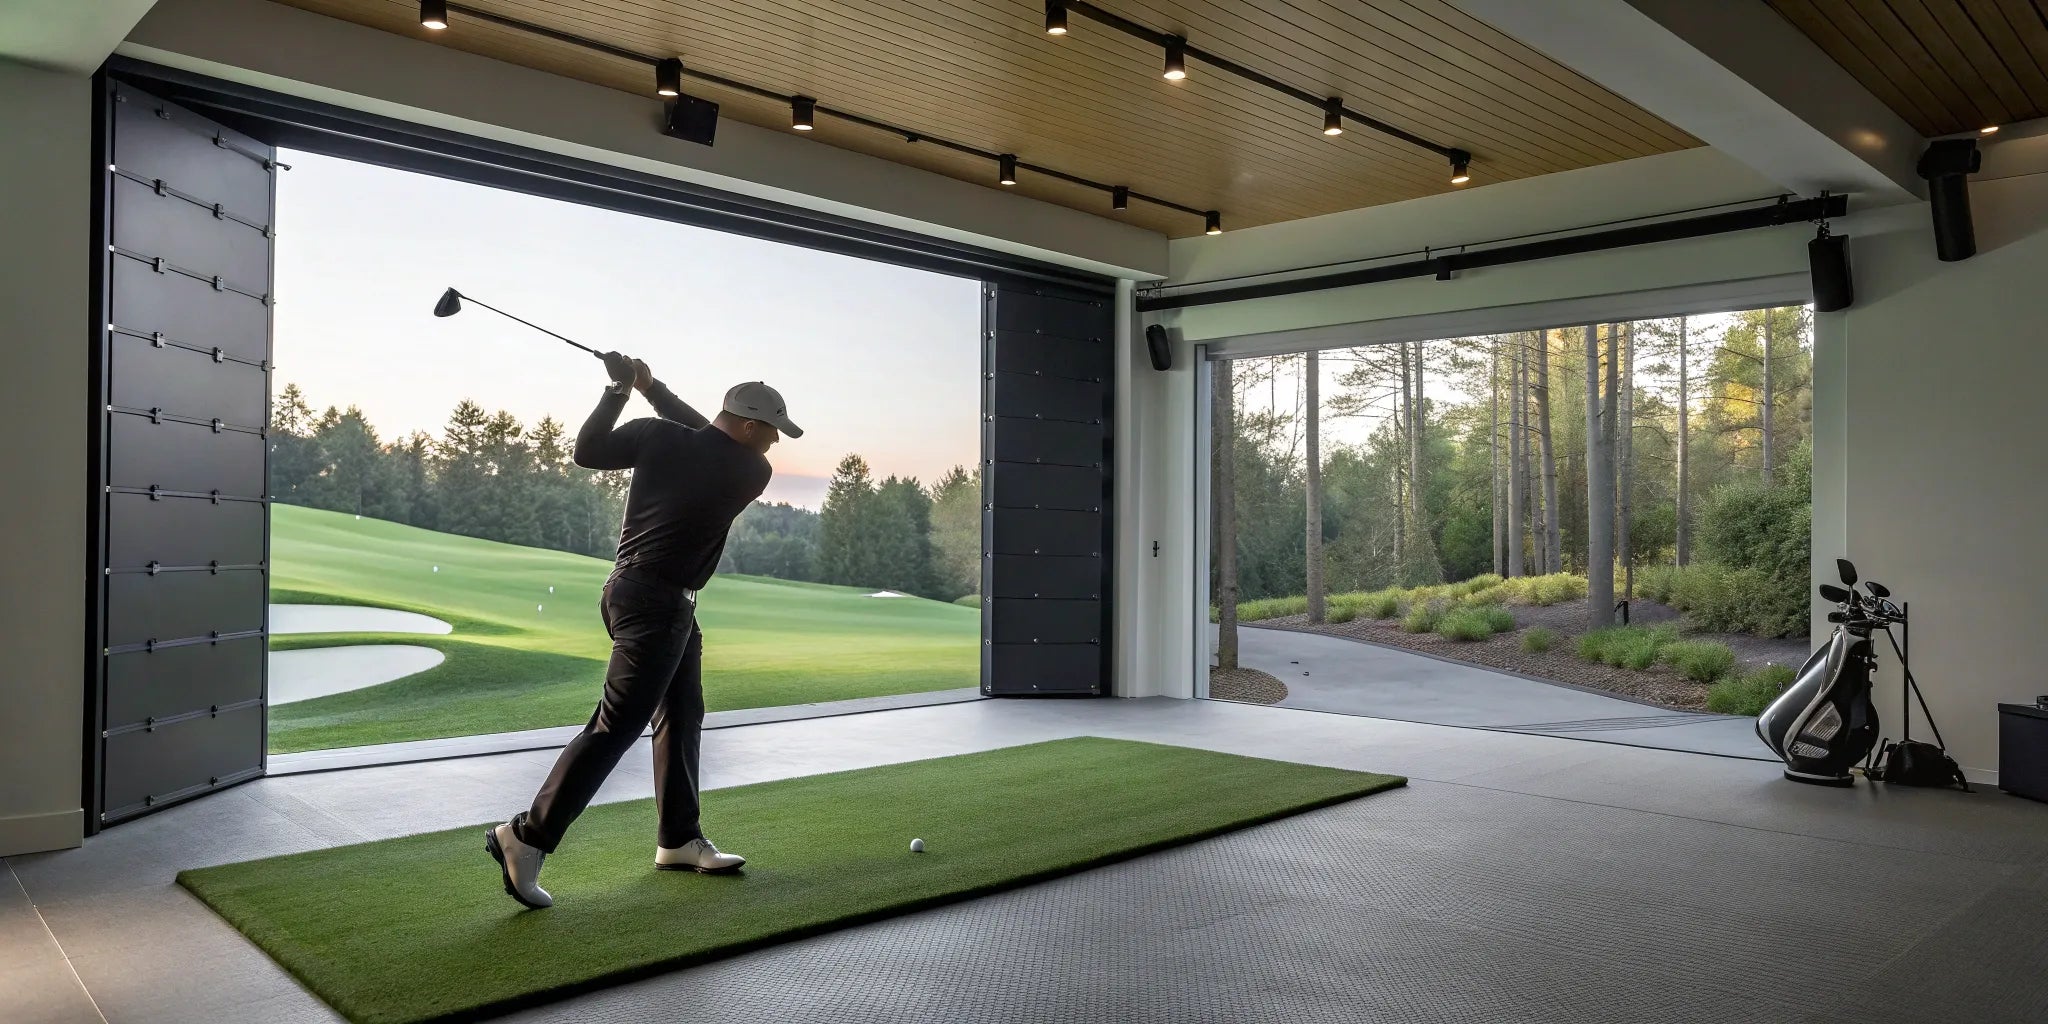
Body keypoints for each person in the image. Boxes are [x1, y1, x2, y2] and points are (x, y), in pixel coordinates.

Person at [485, 351, 801, 909]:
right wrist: (646, 388)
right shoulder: (752, 469)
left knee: (682, 713)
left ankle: (678, 839)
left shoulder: (665, 439)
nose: (775, 443)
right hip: (655, 604)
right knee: (617, 724)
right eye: (772, 431)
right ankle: (526, 837)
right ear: (750, 426)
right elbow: (702, 435)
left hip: (639, 595)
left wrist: (625, 390)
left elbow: (591, 449)